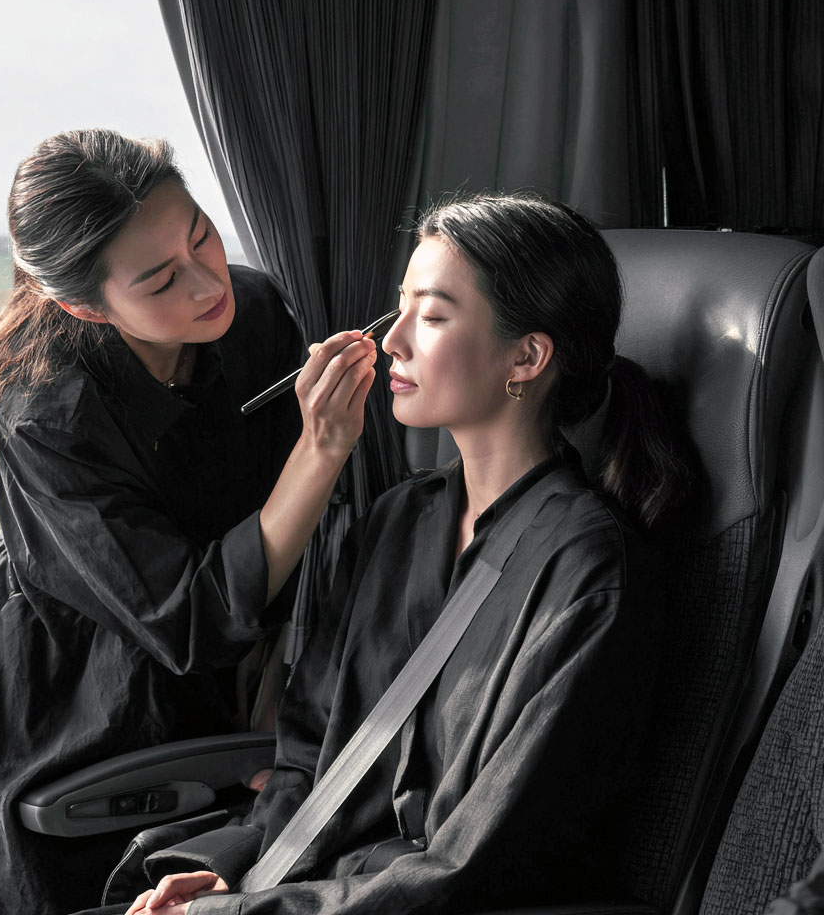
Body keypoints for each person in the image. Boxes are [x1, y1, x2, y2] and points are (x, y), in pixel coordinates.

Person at [83, 193, 691, 915]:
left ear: (525, 356)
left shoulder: (588, 570)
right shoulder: (399, 519)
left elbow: (472, 866)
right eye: (398, 309)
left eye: (431, 316)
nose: (391, 340)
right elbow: (308, 752)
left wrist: (245, 913)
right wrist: (237, 872)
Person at [0, 129, 378, 914]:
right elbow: (189, 621)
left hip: (243, 662)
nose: (206, 286)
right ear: (82, 305)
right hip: (80, 689)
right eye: (161, 280)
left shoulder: (255, 307)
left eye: (201, 233)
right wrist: (321, 447)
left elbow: (304, 542)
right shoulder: (49, 414)